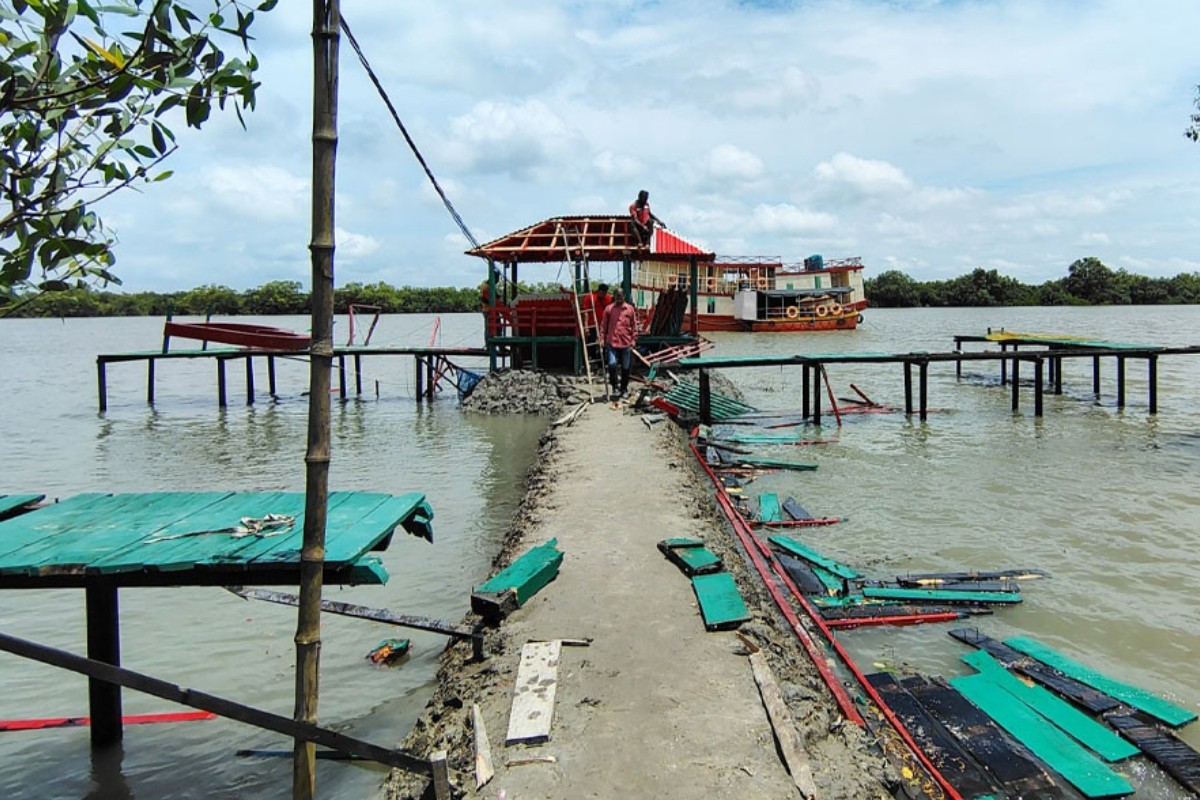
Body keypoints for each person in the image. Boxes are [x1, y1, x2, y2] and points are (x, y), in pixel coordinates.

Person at [599, 287, 639, 401]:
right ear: (614, 297)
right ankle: (615, 387)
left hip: (626, 342)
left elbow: (634, 326)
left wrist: (634, 340)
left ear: (624, 297)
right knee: (612, 364)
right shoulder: (609, 309)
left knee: (626, 367)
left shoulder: (630, 309)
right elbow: (604, 326)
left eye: (621, 297)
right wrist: (602, 338)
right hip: (612, 342)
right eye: (617, 297)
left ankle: (624, 388)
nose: (619, 299)